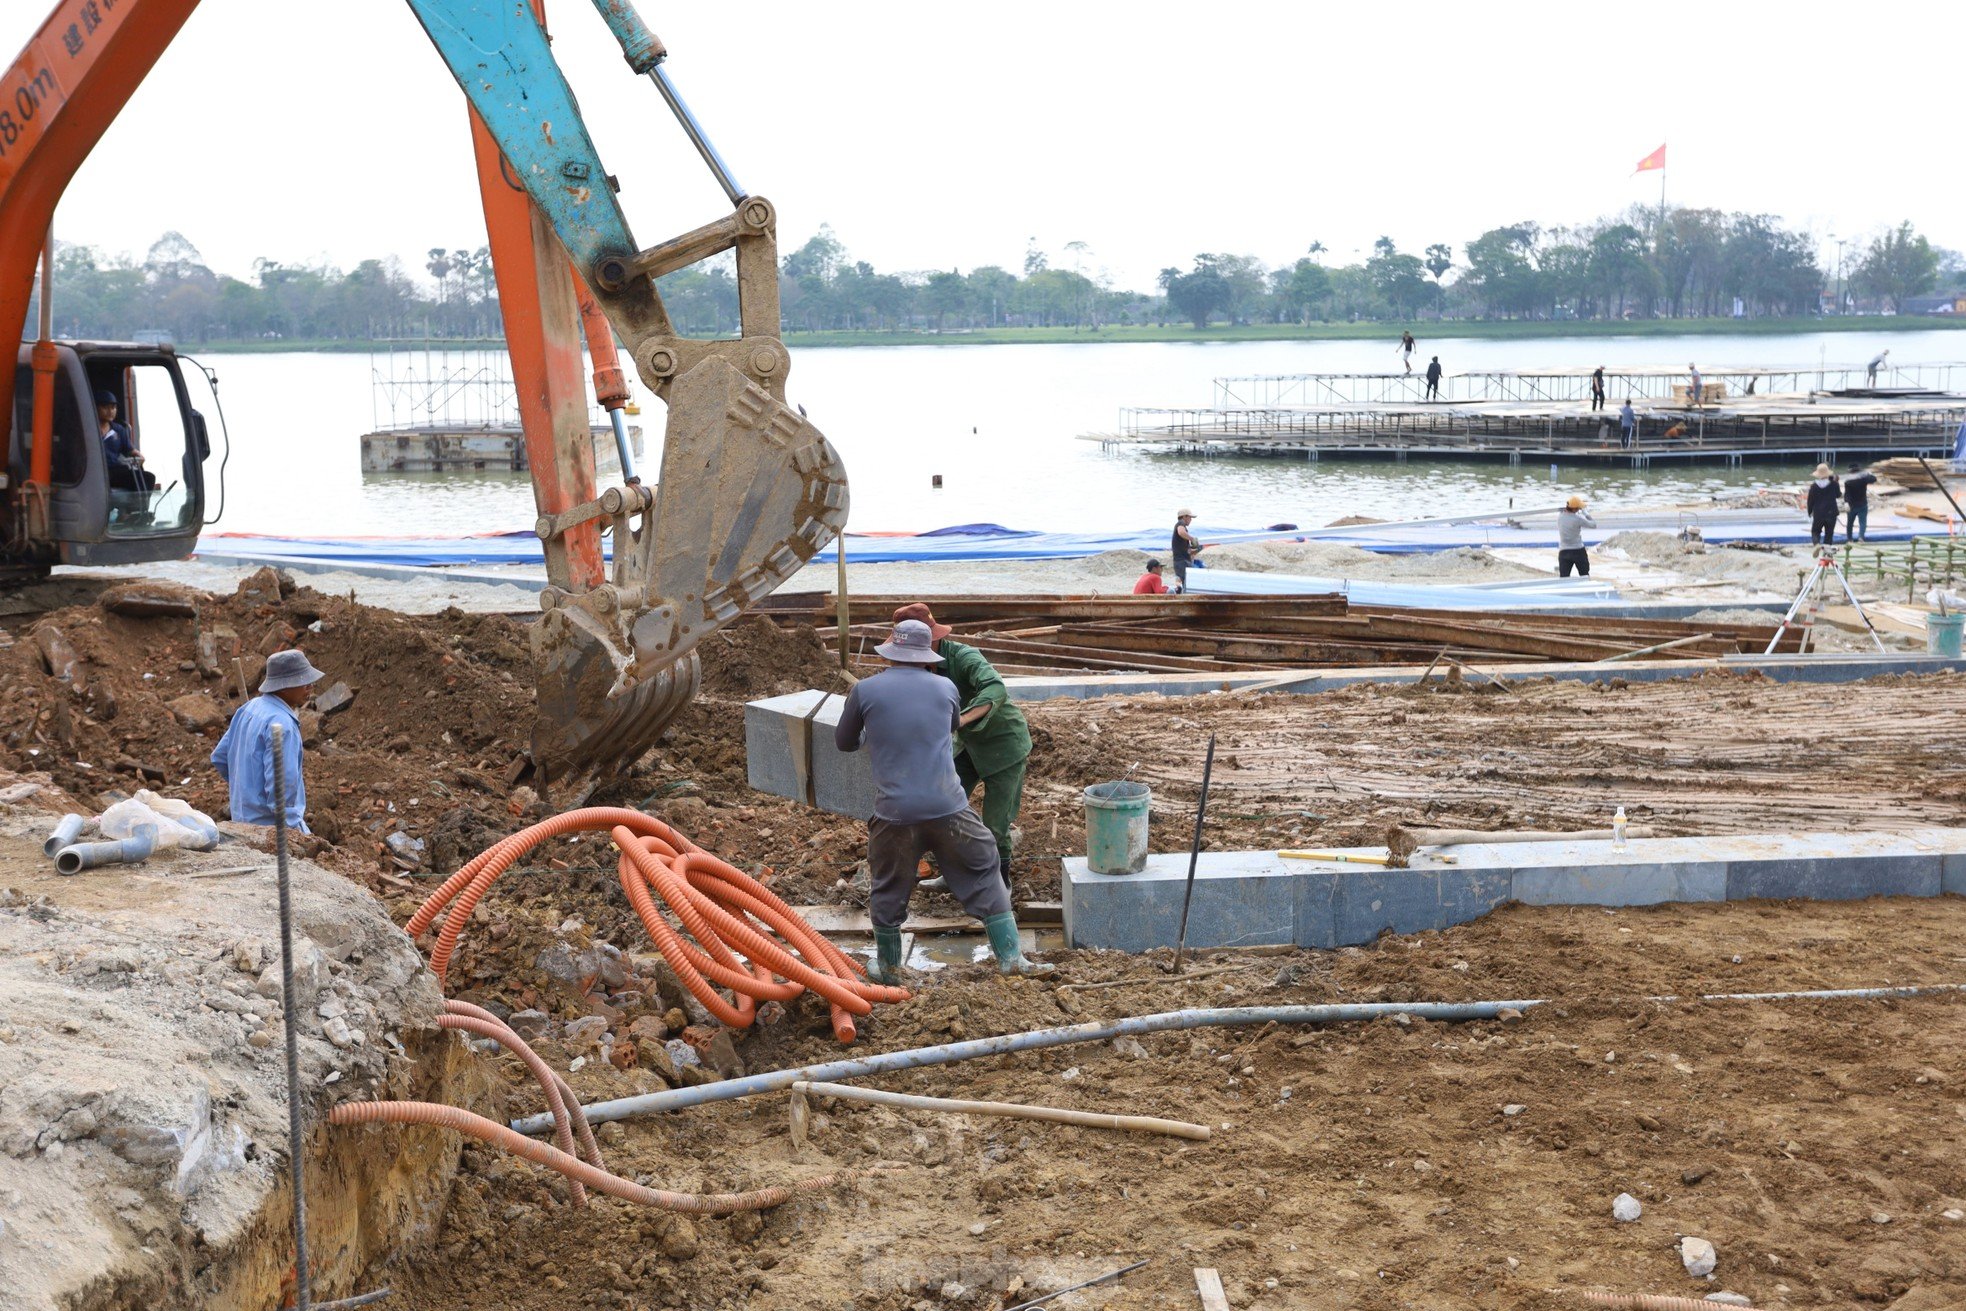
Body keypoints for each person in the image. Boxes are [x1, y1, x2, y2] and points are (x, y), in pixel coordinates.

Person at [834, 620, 1050, 983]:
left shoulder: (865, 690)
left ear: (890, 651)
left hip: (894, 814)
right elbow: (950, 727)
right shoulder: (946, 687)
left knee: (888, 884)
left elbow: (844, 742)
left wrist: (872, 735)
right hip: (949, 808)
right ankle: (1011, 958)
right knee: (984, 866)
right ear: (926, 654)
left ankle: (888, 967)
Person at [892, 602, 1032, 884]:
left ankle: (1001, 886)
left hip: (1003, 745)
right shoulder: (917, 669)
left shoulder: (964, 657)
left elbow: (995, 687)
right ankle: (954, 873)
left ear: (933, 638)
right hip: (966, 746)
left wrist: (962, 720)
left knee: (995, 823)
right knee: (944, 809)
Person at [211, 649, 324, 833]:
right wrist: (296, 833)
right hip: (270, 830)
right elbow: (281, 792)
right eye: (302, 680)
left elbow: (220, 757)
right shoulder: (283, 725)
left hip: (241, 824)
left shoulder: (249, 708)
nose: (310, 686)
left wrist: (245, 789)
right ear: (284, 686)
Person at [96, 389, 154, 493]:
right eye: (105, 407)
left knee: (148, 478)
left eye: (113, 407)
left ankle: (139, 508)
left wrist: (139, 457)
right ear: (96, 408)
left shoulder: (119, 430)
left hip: (114, 471)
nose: (110, 411)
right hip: (95, 470)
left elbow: (130, 451)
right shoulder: (88, 429)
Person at [1555, 494, 1596, 578]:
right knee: (1584, 576)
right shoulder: (1578, 519)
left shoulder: (1560, 517)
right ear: (1574, 509)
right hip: (1578, 551)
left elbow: (1567, 512)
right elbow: (1593, 525)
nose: (1578, 510)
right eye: (1578, 508)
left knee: (1564, 578)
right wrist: (1586, 513)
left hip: (1564, 552)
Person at [1803, 463, 1841, 548]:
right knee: (1829, 533)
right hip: (1831, 512)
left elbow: (1810, 500)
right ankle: (1827, 552)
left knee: (1815, 531)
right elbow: (1838, 495)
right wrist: (1836, 482)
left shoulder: (1814, 486)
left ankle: (1816, 544)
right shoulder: (1834, 484)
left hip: (1819, 513)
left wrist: (1809, 511)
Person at [1171, 510, 1205, 590]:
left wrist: (1197, 549)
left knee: (1186, 583)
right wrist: (1192, 539)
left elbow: (1189, 552)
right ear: (1184, 517)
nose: (1191, 520)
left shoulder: (1183, 538)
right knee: (1188, 583)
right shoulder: (1180, 523)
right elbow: (1181, 532)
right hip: (1181, 562)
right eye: (1190, 517)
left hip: (1183, 561)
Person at [1842, 462, 1876, 543]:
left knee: (1850, 523)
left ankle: (1850, 539)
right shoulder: (1863, 479)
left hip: (1851, 505)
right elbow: (1874, 479)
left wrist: (1846, 502)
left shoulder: (1848, 481)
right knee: (1862, 522)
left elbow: (1847, 493)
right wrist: (1869, 474)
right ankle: (1861, 537)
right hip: (1862, 503)